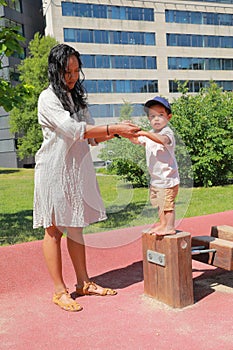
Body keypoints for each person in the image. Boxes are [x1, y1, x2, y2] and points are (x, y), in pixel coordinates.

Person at [33, 44, 140, 312]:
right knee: (54, 229)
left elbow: (91, 136)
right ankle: (60, 291)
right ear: (55, 70)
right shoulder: (47, 99)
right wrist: (114, 126)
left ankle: (83, 283)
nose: (71, 77)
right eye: (66, 71)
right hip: (53, 171)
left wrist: (119, 133)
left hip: (75, 171)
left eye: (76, 71)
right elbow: (73, 129)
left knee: (77, 227)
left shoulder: (76, 99)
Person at [129, 96, 180, 235]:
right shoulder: (150, 134)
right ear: (148, 119)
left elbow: (162, 140)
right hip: (156, 179)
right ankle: (163, 224)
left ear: (169, 117)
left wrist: (145, 133)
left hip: (167, 178)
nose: (156, 119)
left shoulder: (167, 132)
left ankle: (169, 226)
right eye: (152, 116)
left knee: (167, 205)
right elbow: (136, 140)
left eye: (160, 115)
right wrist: (126, 132)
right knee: (159, 203)